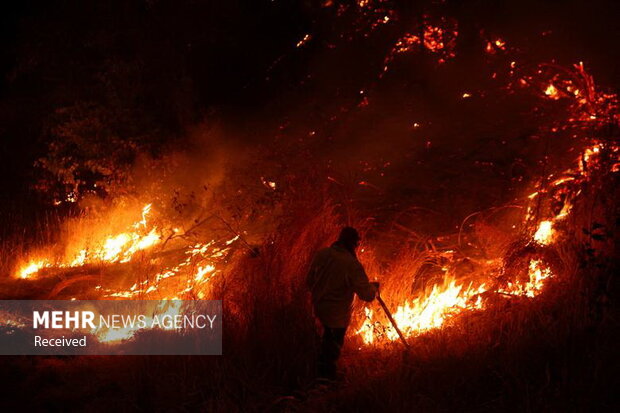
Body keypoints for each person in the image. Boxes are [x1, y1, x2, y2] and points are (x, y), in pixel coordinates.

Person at [306, 226, 379, 380]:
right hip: (337, 317)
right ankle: (325, 385)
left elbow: (309, 282)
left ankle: (315, 377)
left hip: (317, 310)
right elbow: (366, 295)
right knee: (330, 352)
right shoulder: (351, 264)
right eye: (357, 244)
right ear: (353, 243)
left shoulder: (322, 254)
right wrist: (374, 289)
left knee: (319, 347)